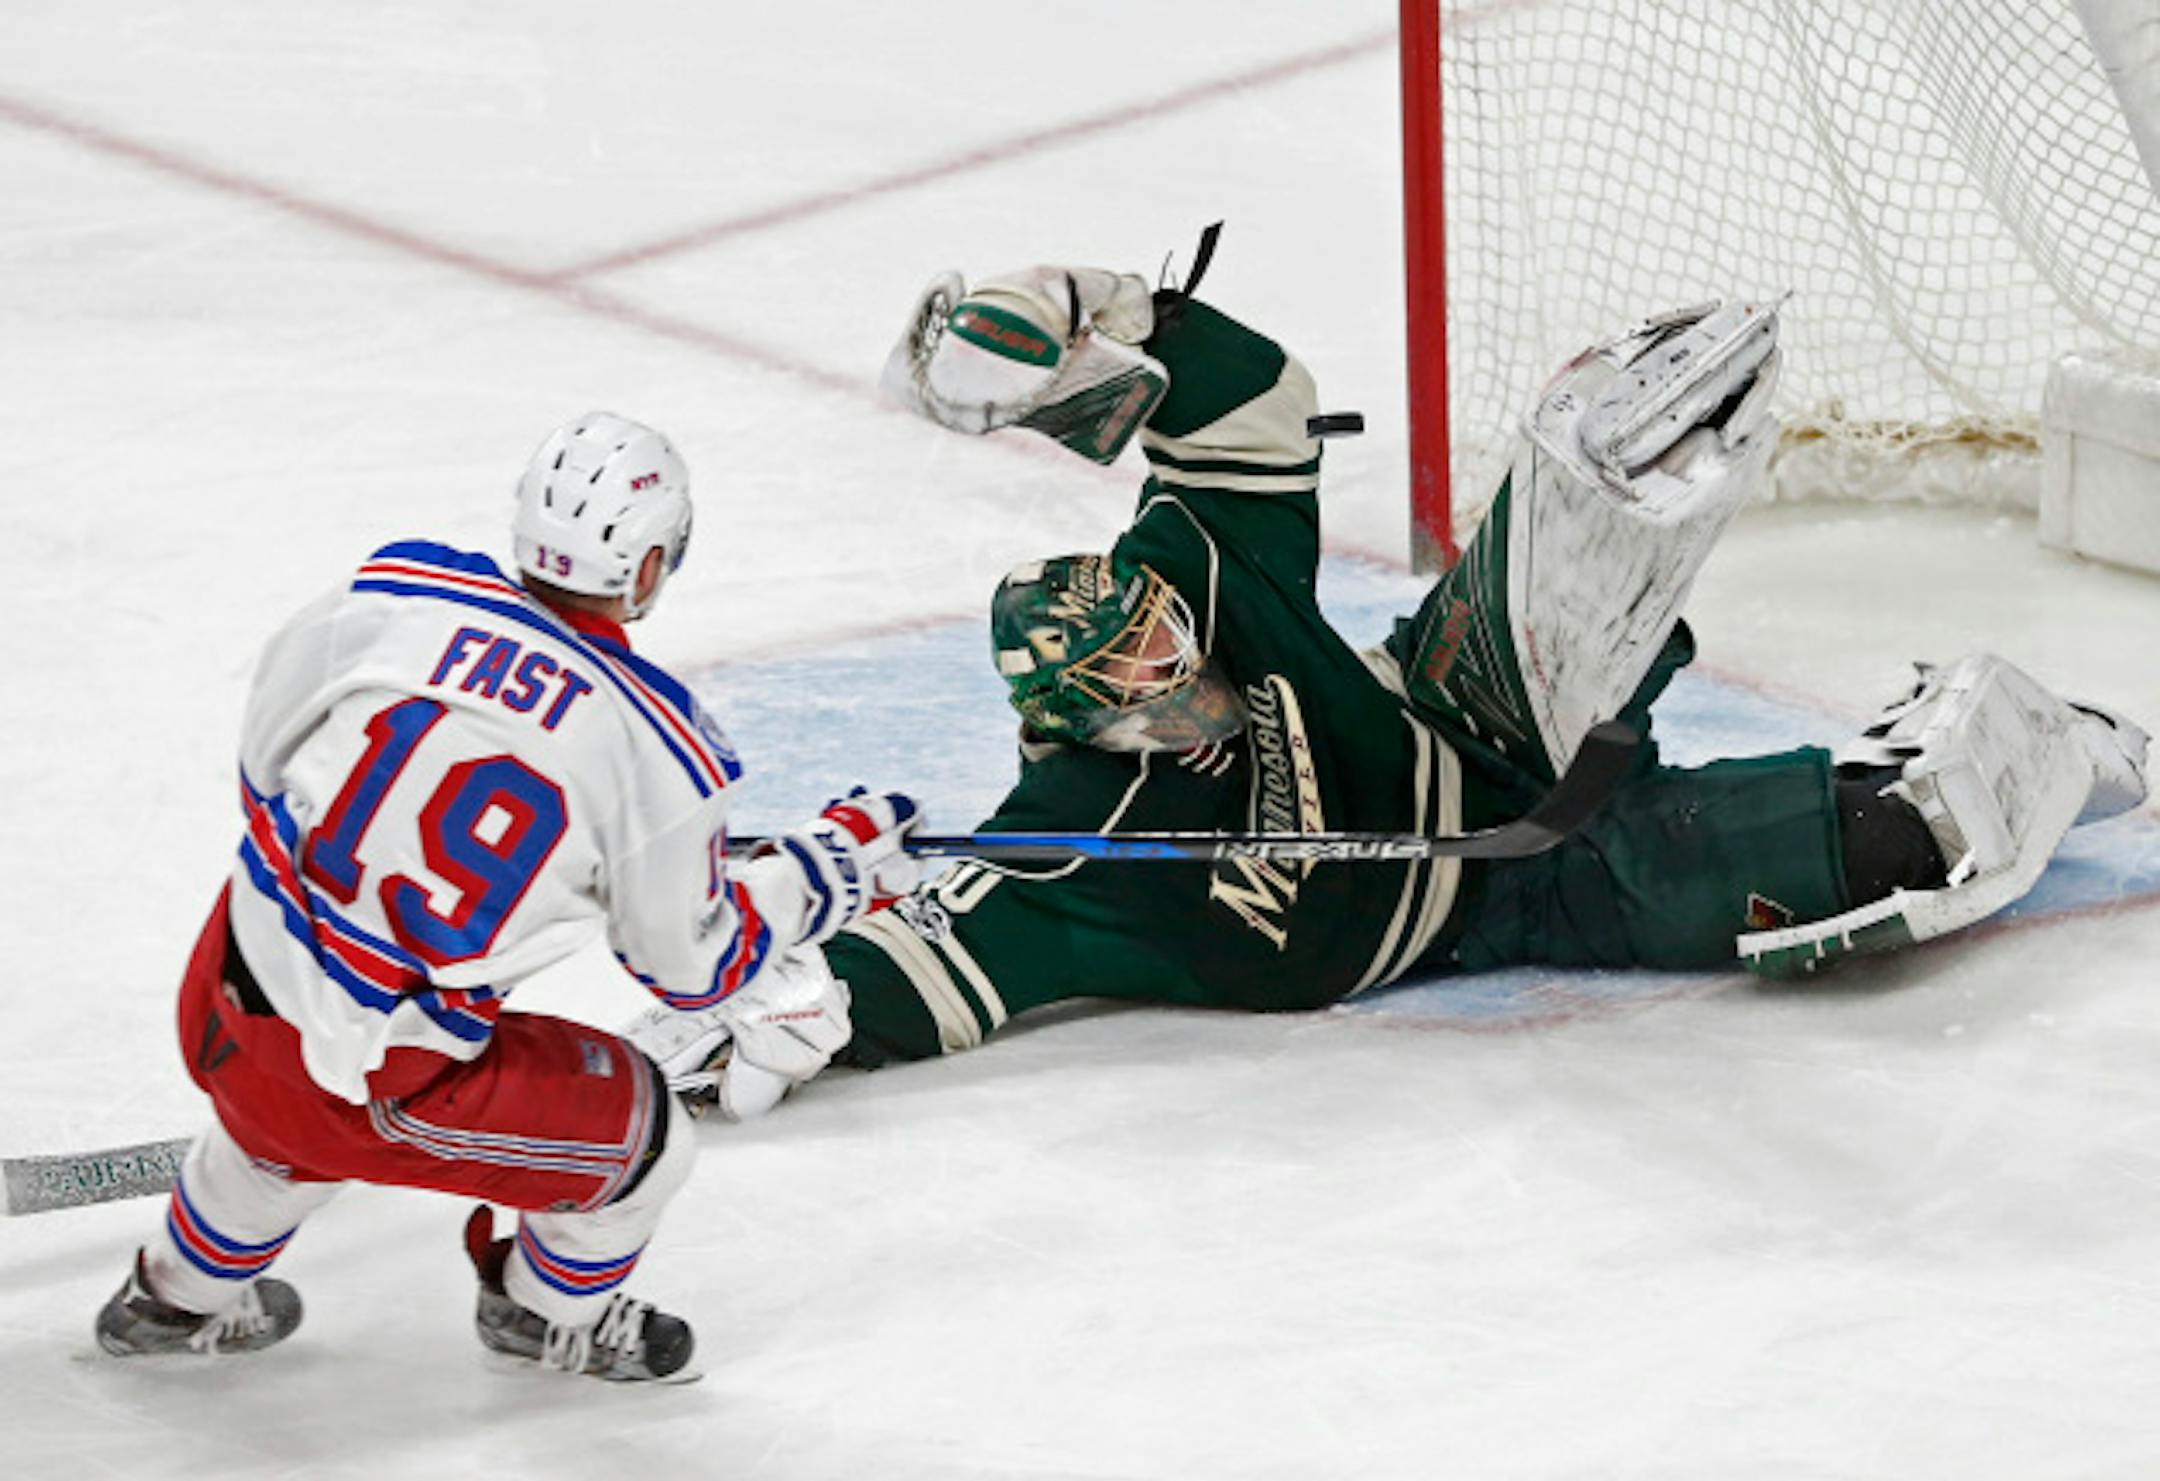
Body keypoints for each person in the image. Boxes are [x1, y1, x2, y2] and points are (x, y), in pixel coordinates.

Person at [630, 255, 2148, 1114]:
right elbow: (917, 969)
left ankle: (1614, 603)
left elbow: (1251, 408)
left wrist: (1112, 309)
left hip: (1457, 704)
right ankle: (2029, 745)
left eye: (1165, 637)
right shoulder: (1062, 856)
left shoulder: (1196, 574)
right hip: (1520, 892)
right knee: (1909, 837)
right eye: (1138, 673)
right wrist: (785, 1018)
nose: (1176, 667)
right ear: (1072, 717)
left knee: (1634, 438)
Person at [93, 412, 922, 1382]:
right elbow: (694, 968)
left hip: (220, 992)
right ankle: (542, 1312)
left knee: (283, 1107)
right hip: (371, 1082)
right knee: (648, 1140)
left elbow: (268, 754)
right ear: (652, 564)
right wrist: (826, 870)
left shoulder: (399, 588)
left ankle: (171, 1296)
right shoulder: (657, 748)